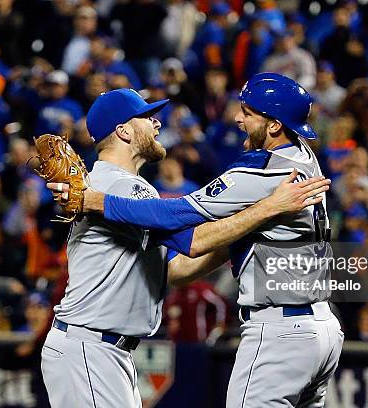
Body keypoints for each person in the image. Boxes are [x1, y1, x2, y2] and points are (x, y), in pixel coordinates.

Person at [51, 73, 342, 407]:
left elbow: (179, 251)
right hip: (318, 329)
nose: (157, 123)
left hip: (280, 330)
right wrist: (263, 212)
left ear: (275, 125)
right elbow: (185, 250)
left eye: (247, 113)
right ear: (123, 130)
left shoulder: (263, 170)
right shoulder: (303, 156)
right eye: (147, 117)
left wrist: (93, 201)